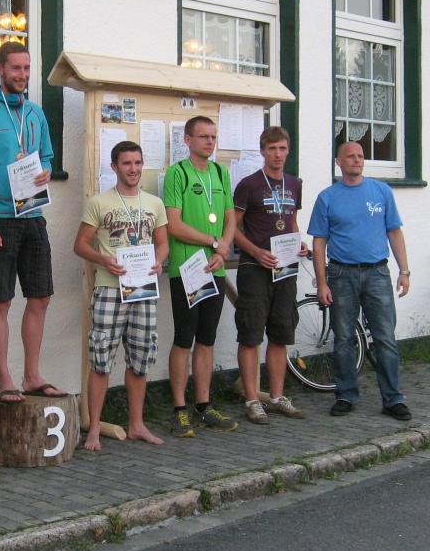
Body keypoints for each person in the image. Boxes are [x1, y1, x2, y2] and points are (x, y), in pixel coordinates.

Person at [0, 41, 65, 403]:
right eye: (16, 68)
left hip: (33, 215)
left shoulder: (36, 113)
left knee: (41, 296)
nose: (22, 75)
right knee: (2, 300)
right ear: (0, 69)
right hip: (0, 220)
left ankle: (32, 376)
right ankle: (4, 378)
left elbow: (47, 156)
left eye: (27, 68)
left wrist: (47, 170)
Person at [74, 141, 168, 450]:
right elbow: (80, 245)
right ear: (114, 166)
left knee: (140, 359)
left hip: (143, 290)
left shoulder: (154, 203)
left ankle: (137, 424)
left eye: (138, 163)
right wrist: (103, 259)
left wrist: (159, 261)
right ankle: (93, 429)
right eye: (127, 163)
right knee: (101, 360)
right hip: (109, 288)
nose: (133, 169)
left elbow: (163, 243)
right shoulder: (99, 202)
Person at [308, 141, 411, 421]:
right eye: (351, 156)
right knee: (343, 338)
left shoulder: (381, 191)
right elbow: (319, 242)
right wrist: (322, 283)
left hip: (378, 273)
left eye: (361, 156)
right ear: (338, 162)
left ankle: (393, 399)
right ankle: (345, 395)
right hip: (341, 275)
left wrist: (404, 271)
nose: (357, 160)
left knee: (385, 338)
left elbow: (394, 232)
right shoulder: (327, 197)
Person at [163, 115, 237, 436]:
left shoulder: (221, 173)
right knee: (184, 337)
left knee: (207, 338)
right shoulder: (177, 173)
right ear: (188, 140)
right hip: (187, 269)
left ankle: (203, 406)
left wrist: (223, 249)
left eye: (213, 136)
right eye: (203, 136)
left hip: (215, 268)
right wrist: (213, 242)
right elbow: (174, 225)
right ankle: (179, 410)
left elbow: (230, 218)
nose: (209, 142)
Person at [233, 126, 307, 424]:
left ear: (288, 151)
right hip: (255, 268)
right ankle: (252, 400)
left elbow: (291, 221)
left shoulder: (294, 184)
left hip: (285, 268)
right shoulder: (249, 185)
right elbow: (232, 229)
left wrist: (299, 242)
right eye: (272, 149)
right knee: (251, 334)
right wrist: (256, 252)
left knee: (281, 332)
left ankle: (276, 398)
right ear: (263, 151)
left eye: (282, 149)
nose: (277, 154)